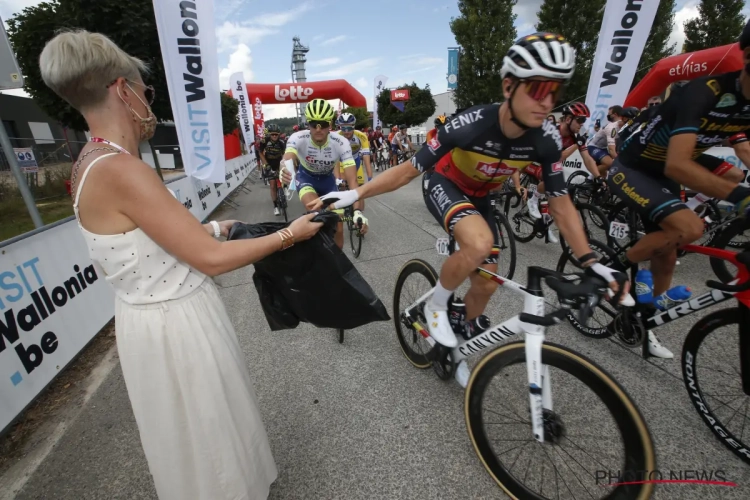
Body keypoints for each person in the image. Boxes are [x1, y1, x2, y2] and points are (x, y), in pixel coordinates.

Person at [39, 30, 324, 500]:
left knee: (195, 437)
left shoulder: (92, 159)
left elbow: (146, 240)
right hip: (175, 322)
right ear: (121, 89)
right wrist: (289, 234)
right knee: (209, 437)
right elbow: (210, 261)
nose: (149, 103)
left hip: (151, 316)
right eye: (145, 91)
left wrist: (212, 228)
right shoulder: (120, 168)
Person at [307, 32, 631, 365]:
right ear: (508, 87)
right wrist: (356, 192)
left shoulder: (547, 138)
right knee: (479, 243)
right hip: (445, 183)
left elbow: (561, 205)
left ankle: (453, 340)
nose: (546, 102)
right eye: (536, 89)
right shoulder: (470, 125)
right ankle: (435, 309)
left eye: (555, 91)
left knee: (487, 283)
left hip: (481, 196)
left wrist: (591, 262)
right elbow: (407, 171)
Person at [608, 20, 750, 358]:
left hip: (664, 172)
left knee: (669, 256)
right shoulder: (706, 91)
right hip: (633, 166)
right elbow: (678, 165)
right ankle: (609, 268)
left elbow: (744, 152)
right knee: (690, 227)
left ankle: (645, 320)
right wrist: (741, 198)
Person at [282, 99, 367, 249]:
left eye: (324, 124)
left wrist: (358, 211)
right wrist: (284, 168)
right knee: (318, 213)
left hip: (328, 181)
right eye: (314, 124)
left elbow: (353, 182)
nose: (318, 129)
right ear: (308, 124)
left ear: (331, 125)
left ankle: (336, 264)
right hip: (306, 178)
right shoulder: (298, 138)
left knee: (338, 228)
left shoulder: (340, 142)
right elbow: (288, 157)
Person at [526, 102, 602, 242]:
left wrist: (598, 177)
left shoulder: (575, 137)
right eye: (580, 120)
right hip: (531, 161)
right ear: (568, 119)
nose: (582, 124)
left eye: (584, 121)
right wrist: (576, 145)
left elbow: (587, 158)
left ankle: (545, 224)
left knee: (557, 199)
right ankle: (533, 197)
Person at [336, 112, 373, 211]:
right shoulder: (336, 136)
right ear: (340, 127)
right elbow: (333, 159)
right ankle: (343, 208)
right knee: (341, 185)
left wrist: (370, 178)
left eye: (349, 128)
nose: (346, 131)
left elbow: (366, 158)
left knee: (359, 190)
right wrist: (337, 177)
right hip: (341, 162)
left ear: (354, 126)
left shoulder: (361, 136)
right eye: (343, 128)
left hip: (355, 161)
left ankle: (359, 213)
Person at [586, 105, 625, 174]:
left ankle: (597, 181)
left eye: (609, 114)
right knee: (610, 163)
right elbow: (612, 150)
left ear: (615, 114)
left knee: (605, 174)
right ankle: (590, 178)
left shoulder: (619, 125)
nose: (608, 116)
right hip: (593, 146)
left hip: (603, 148)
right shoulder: (612, 127)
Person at [259, 123, 286, 215]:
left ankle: (283, 190)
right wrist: (265, 164)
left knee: (283, 179)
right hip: (269, 163)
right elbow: (260, 153)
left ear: (279, 134)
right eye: (272, 134)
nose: (274, 136)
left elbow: (284, 154)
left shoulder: (282, 142)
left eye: (276, 134)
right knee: (272, 185)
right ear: (269, 135)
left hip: (278, 163)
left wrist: (284, 164)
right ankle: (275, 206)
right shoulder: (264, 141)